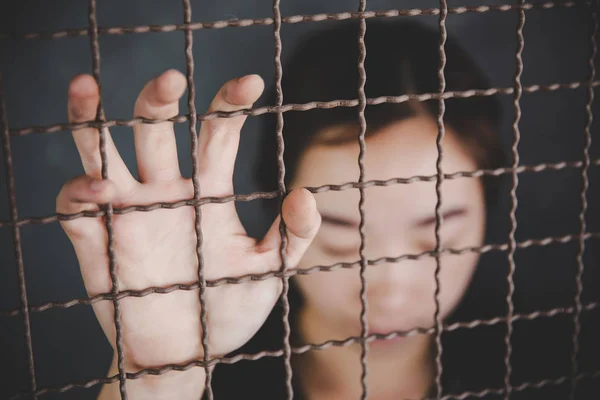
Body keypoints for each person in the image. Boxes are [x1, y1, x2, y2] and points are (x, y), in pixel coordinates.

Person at [57, 19, 508, 399]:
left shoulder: (544, 357)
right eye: (338, 234)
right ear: (277, 204)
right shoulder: (216, 374)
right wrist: (159, 378)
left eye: (438, 233)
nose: (389, 293)